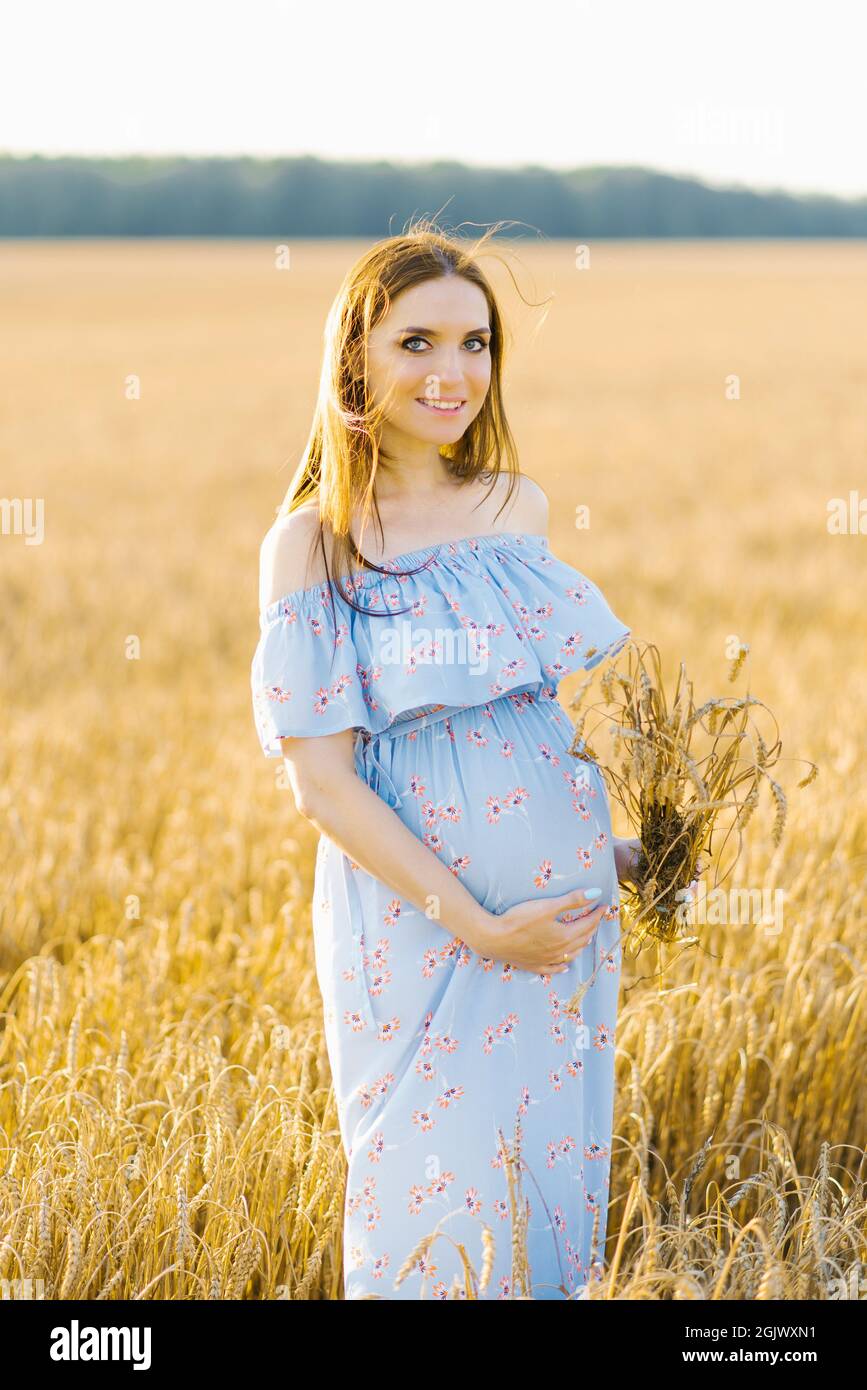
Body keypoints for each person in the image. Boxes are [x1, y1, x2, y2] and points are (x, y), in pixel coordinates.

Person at [251, 220, 638, 1300]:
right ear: (356, 360)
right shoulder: (314, 542)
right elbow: (320, 783)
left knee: (543, 1196)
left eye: (476, 345)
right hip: (425, 931)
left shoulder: (517, 507)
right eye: (418, 342)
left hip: (561, 922)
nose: (453, 372)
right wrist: (476, 920)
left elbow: (527, 724)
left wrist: (614, 849)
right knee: (430, 1203)